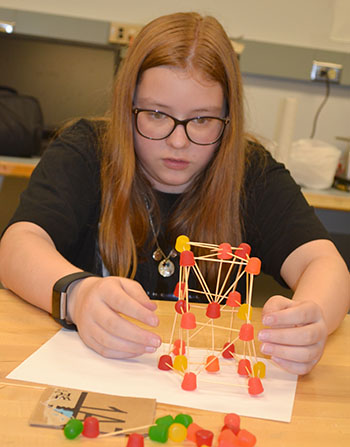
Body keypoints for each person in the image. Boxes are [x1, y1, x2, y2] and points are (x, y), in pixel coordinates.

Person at [0, 12, 349, 376]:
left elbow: (325, 264)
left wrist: (312, 321)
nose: (178, 141)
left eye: (201, 120)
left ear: (229, 120)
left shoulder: (251, 172)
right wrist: (77, 295)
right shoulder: (87, 151)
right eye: (156, 114)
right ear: (127, 105)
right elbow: (19, 244)